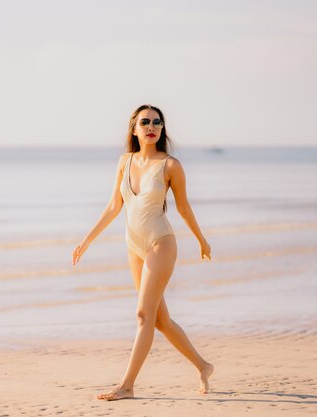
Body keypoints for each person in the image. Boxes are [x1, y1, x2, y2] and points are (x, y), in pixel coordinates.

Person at [71, 104, 214, 401]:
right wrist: (86, 241)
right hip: (133, 246)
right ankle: (203, 365)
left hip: (160, 242)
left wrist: (201, 239)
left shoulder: (170, 165)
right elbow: (114, 206)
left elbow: (184, 207)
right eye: (145, 122)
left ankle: (127, 386)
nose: (152, 126)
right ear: (134, 129)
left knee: (142, 314)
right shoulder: (125, 161)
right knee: (160, 320)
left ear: (162, 129)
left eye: (157, 122)